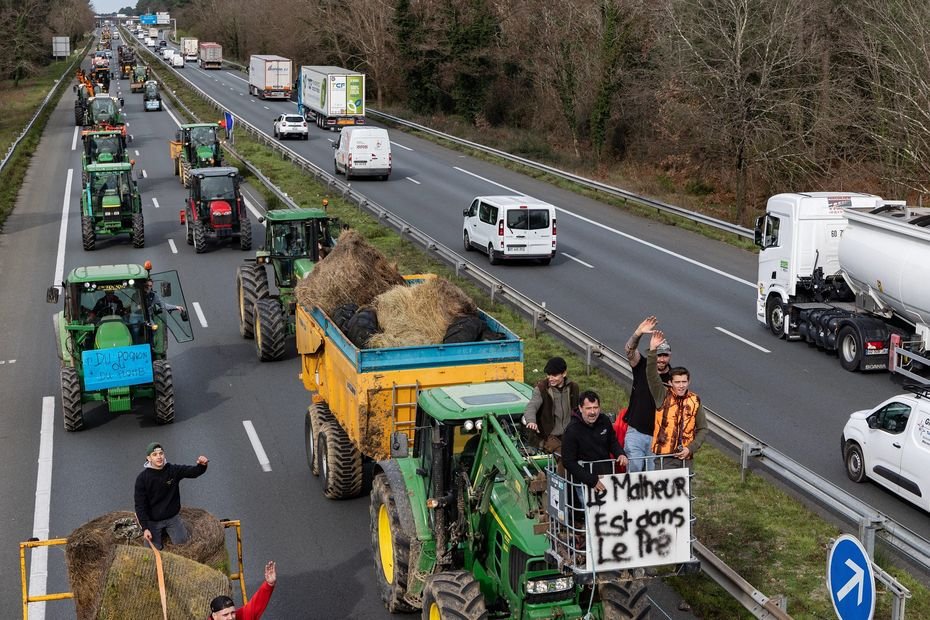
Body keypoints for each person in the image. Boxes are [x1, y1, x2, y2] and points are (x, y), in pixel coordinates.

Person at [647, 331, 707, 469]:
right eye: (677, 382)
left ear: (689, 381)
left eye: (684, 382)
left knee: (686, 491)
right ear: (670, 382)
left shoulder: (695, 400)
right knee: (663, 491)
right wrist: (652, 351)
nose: (681, 385)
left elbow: (703, 429)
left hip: (686, 459)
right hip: (664, 457)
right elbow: (651, 375)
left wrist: (690, 449)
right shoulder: (662, 394)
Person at [622, 316, 674, 472]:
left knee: (653, 478)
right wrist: (638, 333)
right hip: (636, 431)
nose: (661, 359)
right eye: (658, 354)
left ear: (669, 356)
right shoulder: (642, 365)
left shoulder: (674, 378)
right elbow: (629, 351)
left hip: (658, 437)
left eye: (664, 355)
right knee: (635, 471)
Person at [134, 442, 209, 550]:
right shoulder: (142, 479)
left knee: (184, 545)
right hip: (153, 521)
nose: (159, 457)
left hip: (172, 517)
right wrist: (145, 528)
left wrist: (202, 465)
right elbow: (139, 506)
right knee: (151, 552)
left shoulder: (172, 470)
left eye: (161, 453)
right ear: (148, 458)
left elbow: (193, 472)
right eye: (155, 455)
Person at [561, 391, 628, 493]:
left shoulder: (604, 420)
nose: (593, 412)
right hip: (584, 483)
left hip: (606, 477)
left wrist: (620, 454)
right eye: (588, 408)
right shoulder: (572, 430)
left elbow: (612, 441)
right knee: (588, 509)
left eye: (595, 408)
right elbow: (568, 461)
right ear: (580, 408)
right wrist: (591, 480)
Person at [524, 356, 579, 454]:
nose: (550, 378)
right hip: (548, 436)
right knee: (565, 456)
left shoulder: (573, 388)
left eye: (554, 375)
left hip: (569, 434)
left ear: (564, 373)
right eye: (549, 375)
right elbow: (532, 406)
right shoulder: (541, 389)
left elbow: (579, 409)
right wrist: (531, 421)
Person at [208, 561, 277, 620]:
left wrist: (269, 584)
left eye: (233, 613)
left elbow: (256, 605)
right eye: (225, 615)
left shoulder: (240, 616)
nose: (231, 618)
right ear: (215, 616)